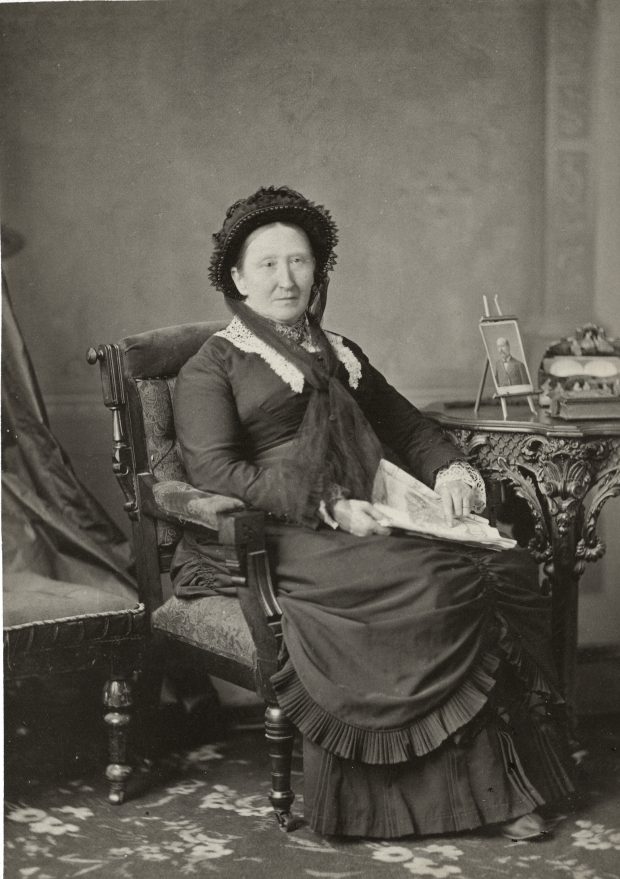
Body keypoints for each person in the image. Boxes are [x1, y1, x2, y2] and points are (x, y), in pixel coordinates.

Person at [171, 186, 574, 840]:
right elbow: (215, 471)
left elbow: (409, 427)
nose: (285, 278)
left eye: (298, 261)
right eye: (267, 264)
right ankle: (381, 804)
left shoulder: (342, 353)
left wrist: (450, 468)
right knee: (431, 579)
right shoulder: (211, 366)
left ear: (317, 271)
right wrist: (322, 502)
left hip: (364, 508)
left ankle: (500, 791)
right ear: (238, 277)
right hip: (280, 526)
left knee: (489, 564)